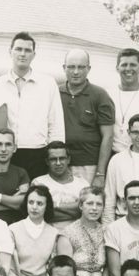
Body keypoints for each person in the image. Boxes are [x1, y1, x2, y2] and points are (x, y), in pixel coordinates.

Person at [0, 32, 64, 179]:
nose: (22, 54)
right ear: (10, 51)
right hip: (7, 154)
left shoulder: (47, 83)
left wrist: (55, 155)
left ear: (34, 55)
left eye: (27, 50)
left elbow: (56, 123)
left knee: (35, 198)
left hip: (37, 153)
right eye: (18, 49)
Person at [58, 47, 113, 187]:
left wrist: (100, 173)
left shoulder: (100, 95)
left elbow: (108, 136)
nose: (76, 72)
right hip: (59, 163)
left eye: (81, 67)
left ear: (88, 68)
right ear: (64, 68)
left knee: (88, 206)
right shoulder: (54, 93)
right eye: (71, 67)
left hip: (89, 166)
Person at [8, 184, 70, 276]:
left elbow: (53, 267)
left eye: (40, 203)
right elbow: (8, 269)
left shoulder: (54, 233)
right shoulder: (13, 230)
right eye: (31, 202)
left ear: (47, 206)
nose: (34, 207)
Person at [60, 186, 111, 276]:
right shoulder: (67, 233)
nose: (94, 208)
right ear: (81, 206)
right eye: (90, 203)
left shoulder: (107, 232)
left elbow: (109, 265)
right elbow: (64, 271)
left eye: (99, 204)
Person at [32, 142, 88, 229]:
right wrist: (74, 209)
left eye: (62, 158)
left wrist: (52, 206)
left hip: (77, 233)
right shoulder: (38, 183)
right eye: (53, 159)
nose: (58, 163)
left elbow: (87, 212)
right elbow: (37, 213)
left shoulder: (82, 184)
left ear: (68, 159)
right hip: (47, 233)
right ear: (47, 161)